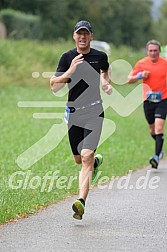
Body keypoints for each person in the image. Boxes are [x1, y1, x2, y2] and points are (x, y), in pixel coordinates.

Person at [50, 20, 112, 220]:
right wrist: (70, 71)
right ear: (74, 36)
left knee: (85, 156)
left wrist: (105, 82)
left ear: (91, 36)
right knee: (79, 159)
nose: (83, 37)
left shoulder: (99, 56)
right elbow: (54, 86)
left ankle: (81, 202)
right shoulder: (67, 57)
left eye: (86, 34)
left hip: (95, 111)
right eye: (79, 34)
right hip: (74, 113)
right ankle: (94, 162)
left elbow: (105, 69)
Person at [128, 39, 167, 169]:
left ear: (159, 51)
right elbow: (129, 79)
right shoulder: (142, 63)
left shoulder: (165, 63)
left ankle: (156, 156)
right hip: (148, 101)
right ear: (147, 51)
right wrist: (140, 75)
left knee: (159, 128)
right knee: (152, 129)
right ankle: (160, 149)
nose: (153, 53)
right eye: (150, 50)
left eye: (155, 50)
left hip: (163, 99)